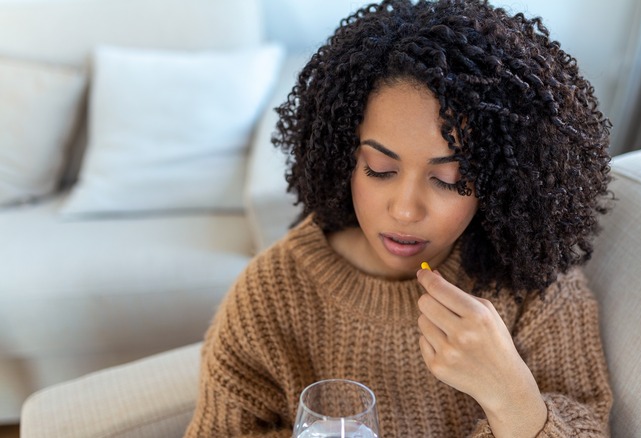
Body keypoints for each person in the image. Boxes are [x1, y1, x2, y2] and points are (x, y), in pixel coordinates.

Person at [185, 0, 613, 436]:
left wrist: (510, 394)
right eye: (380, 170)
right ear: (342, 158)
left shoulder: (532, 287)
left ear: (502, 179)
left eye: (448, 179)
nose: (406, 210)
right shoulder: (270, 296)